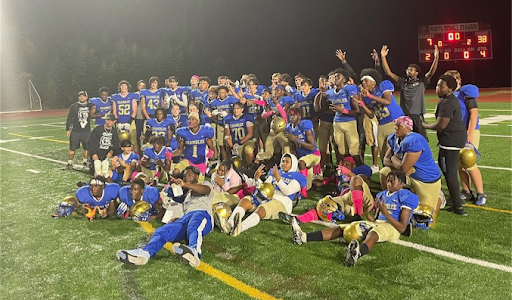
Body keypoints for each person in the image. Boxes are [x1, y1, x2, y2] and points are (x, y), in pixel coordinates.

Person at [291, 170, 418, 267]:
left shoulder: (405, 195)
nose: (388, 183)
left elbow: (401, 227)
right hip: (379, 223)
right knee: (344, 228)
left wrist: (386, 213)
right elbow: (375, 220)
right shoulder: (382, 195)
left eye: (392, 181)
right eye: (388, 180)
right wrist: (367, 213)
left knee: (374, 233)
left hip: (392, 228)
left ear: (401, 184)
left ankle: (358, 253)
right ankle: (303, 237)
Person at [116, 166, 214, 268]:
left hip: (203, 215)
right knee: (161, 231)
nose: (186, 178)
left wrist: (185, 184)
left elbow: (205, 190)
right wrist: (178, 219)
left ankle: (194, 251)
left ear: (197, 177)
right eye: (185, 176)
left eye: (190, 175)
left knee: (195, 222)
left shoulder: (205, 184)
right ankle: (145, 253)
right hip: (186, 219)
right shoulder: (186, 195)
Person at [219, 153, 306, 236]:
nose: (284, 163)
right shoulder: (276, 172)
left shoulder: (296, 177)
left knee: (262, 208)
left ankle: (240, 228)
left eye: (287, 162)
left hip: (282, 201)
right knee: (246, 200)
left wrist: (278, 179)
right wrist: (256, 179)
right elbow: (264, 187)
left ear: (293, 164)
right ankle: (229, 224)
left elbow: (288, 191)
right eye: (283, 161)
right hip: (267, 197)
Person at [380, 116, 443, 220]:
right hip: (408, 174)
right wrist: (398, 165)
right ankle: (391, 198)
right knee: (384, 172)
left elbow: (403, 168)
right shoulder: (394, 138)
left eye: (399, 126)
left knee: (424, 216)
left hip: (425, 178)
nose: (396, 128)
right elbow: (385, 161)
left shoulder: (414, 140)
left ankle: (440, 197)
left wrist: (394, 159)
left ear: (408, 128)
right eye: (395, 125)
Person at [422, 75, 467, 216]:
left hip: (451, 141)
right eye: (437, 85)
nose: (437, 88)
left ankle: (459, 206)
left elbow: (441, 124)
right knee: (446, 170)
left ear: (451, 89)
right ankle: (456, 199)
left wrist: (424, 125)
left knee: (450, 172)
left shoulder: (447, 103)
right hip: (451, 139)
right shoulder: (448, 100)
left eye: (441, 86)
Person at [444, 70, 487, 206]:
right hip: (456, 133)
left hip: (469, 132)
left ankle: (481, 193)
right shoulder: (450, 95)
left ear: (458, 80)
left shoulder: (465, 92)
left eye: (453, 79)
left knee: (469, 162)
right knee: (459, 164)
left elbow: (473, 114)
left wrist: (470, 134)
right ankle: (466, 191)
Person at [380, 45, 440, 139]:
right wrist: (383, 57)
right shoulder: (402, 82)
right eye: (408, 69)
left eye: (411, 70)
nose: (409, 71)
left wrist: (436, 58)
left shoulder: (421, 83)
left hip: (417, 116)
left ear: (417, 73)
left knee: (421, 139)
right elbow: (389, 73)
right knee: (404, 139)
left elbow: (431, 72)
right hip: (404, 115)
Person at [357, 68, 404, 162]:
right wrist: (362, 104)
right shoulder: (366, 97)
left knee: (393, 153)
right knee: (383, 156)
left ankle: (398, 175)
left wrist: (370, 96)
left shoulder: (383, 85)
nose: (363, 83)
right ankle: (388, 175)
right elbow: (371, 115)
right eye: (362, 81)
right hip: (381, 124)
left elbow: (387, 101)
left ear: (373, 82)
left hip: (394, 121)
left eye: (366, 80)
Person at [325, 69, 361, 165]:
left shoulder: (349, 89)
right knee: (341, 151)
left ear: (345, 79)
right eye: (335, 76)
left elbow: (357, 112)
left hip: (349, 122)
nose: (336, 78)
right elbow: (321, 107)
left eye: (338, 76)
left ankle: (361, 171)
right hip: (337, 123)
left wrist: (343, 111)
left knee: (354, 151)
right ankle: (343, 171)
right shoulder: (330, 92)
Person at [284, 107, 320, 196]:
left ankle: (304, 192)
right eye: (290, 115)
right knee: (309, 185)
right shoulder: (289, 127)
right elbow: (292, 145)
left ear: (299, 116)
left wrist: (298, 140)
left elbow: (312, 147)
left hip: (313, 155)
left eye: (293, 115)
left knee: (302, 162)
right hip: (302, 156)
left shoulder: (305, 124)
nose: (291, 117)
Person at [65, 91, 98, 169]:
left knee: (87, 147)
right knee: (72, 148)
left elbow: (96, 110)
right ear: (78, 97)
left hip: (86, 131)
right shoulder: (74, 106)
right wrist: (67, 129)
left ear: (86, 97)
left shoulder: (90, 105)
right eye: (80, 96)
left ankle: (85, 161)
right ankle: (69, 163)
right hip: (75, 131)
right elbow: (69, 118)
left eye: (83, 96)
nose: (82, 97)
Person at [209, 86, 238, 161]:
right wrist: (214, 113)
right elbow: (211, 111)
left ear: (226, 93)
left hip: (229, 125)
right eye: (220, 92)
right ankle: (224, 161)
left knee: (228, 145)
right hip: (220, 124)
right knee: (221, 144)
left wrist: (228, 114)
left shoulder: (231, 99)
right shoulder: (214, 102)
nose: (221, 94)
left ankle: (229, 160)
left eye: (223, 92)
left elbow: (238, 106)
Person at [224, 102, 255, 167]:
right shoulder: (228, 119)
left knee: (248, 149)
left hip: (247, 141)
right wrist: (232, 146)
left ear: (242, 109)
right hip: (235, 144)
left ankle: (250, 168)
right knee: (236, 163)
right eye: (234, 109)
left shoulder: (246, 117)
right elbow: (227, 136)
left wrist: (239, 143)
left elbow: (250, 134)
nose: (236, 110)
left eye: (238, 108)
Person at [88, 113, 120, 178]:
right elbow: (90, 142)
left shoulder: (114, 131)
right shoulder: (98, 129)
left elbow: (116, 143)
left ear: (114, 121)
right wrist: (93, 153)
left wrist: (111, 151)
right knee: (98, 171)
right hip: (97, 152)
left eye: (111, 120)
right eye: (108, 120)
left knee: (105, 172)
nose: (109, 122)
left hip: (106, 153)